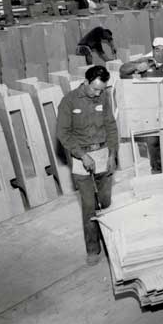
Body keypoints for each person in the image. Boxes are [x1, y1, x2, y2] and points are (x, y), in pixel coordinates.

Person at [57, 65, 118, 265]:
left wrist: (112, 153)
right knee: (89, 206)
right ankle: (93, 249)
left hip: (102, 152)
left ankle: (110, 243)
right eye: (94, 89)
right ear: (85, 82)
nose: (98, 93)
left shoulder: (103, 97)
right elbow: (63, 134)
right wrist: (82, 156)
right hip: (80, 158)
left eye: (101, 89)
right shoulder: (69, 101)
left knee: (106, 203)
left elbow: (110, 125)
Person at [120, 37, 163, 173]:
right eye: (157, 50)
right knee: (153, 140)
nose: (160, 53)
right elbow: (123, 70)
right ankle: (157, 170)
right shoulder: (145, 61)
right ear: (152, 50)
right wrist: (136, 67)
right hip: (150, 108)